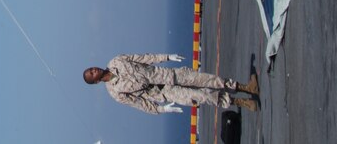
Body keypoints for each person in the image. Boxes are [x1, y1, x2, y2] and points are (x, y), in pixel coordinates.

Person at [83, 53, 259, 114]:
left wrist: (166, 57)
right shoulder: (115, 93)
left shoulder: (116, 60)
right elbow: (139, 104)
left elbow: (144, 58)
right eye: (92, 73)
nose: (94, 69)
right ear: (96, 81)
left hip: (170, 75)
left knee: (209, 79)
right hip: (165, 92)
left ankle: (245, 87)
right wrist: (161, 108)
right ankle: (242, 103)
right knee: (204, 96)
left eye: (92, 68)